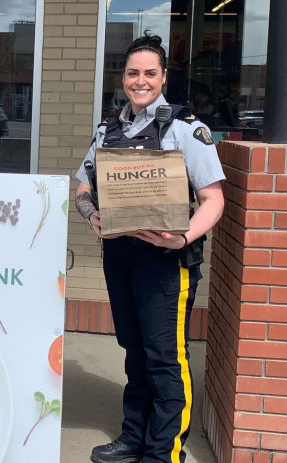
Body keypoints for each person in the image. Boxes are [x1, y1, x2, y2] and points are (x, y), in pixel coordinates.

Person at [74, 33, 224, 463]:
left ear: (163, 77)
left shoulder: (185, 130)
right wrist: (92, 215)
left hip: (166, 260)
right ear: (123, 77)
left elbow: (214, 200)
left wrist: (183, 237)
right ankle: (133, 437)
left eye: (150, 73)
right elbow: (82, 189)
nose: (141, 81)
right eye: (133, 73)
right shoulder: (110, 130)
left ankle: (163, 453)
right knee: (134, 349)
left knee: (165, 358)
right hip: (120, 257)